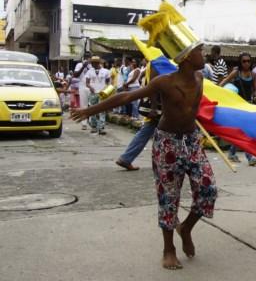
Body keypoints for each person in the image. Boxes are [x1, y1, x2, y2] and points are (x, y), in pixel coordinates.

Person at [71, 42, 217, 270]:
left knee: (208, 189)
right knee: (169, 196)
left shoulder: (200, 78)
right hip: (167, 142)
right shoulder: (166, 82)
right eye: (199, 51)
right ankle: (168, 249)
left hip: (191, 141)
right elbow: (126, 97)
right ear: (187, 58)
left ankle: (186, 228)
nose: (204, 54)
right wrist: (89, 110)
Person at [116, 64, 161, 171]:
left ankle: (126, 158)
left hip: (159, 104)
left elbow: (143, 78)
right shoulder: (157, 63)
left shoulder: (153, 63)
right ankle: (126, 158)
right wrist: (154, 107)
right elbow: (153, 86)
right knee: (153, 131)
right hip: (158, 106)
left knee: (148, 131)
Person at [220, 52, 256, 166]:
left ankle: (232, 153)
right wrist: (217, 91)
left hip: (247, 105)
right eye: (244, 61)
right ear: (240, 62)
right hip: (236, 106)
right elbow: (224, 82)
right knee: (245, 131)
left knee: (242, 131)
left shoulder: (253, 75)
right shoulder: (236, 73)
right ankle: (250, 157)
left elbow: (255, 89)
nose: (246, 63)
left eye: (248, 61)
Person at [85, 56, 111, 135]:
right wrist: (90, 87)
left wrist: (106, 90)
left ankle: (101, 127)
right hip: (93, 93)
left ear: (98, 63)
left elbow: (108, 82)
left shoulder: (106, 71)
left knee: (101, 110)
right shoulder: (89, 71)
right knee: (93, 110)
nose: (92, 64)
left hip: (102, 93)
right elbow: (87, 83)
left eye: (94, 63)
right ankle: (94, 126)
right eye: (92, 63)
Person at [73, 52, 93, 129]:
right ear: (84, 58)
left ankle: (92, 122)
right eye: (86, 57)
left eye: (89, 57)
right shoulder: (79, 65)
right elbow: (75, 75)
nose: (88, 59)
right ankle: (84, 123)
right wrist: (83, 66)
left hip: (91, 86)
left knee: (92, 104)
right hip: (82, 86)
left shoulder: (92, 66)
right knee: (83, 105)